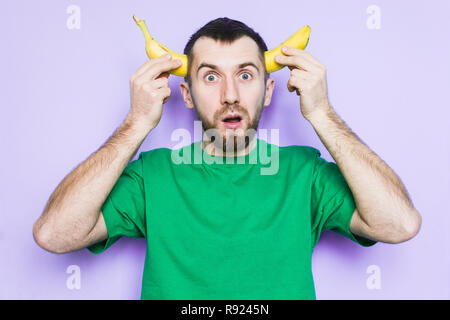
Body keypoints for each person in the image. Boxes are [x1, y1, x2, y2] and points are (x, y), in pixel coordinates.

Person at [32, 17, 422, 300]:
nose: (231, 95)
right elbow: (53, 234)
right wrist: (135, 124)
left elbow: (399, 224)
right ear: (186, 94)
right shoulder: (152, 177)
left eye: (246, 75)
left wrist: (322, 113)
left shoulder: (306, 174)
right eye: (211, 77)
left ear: (270, 91)